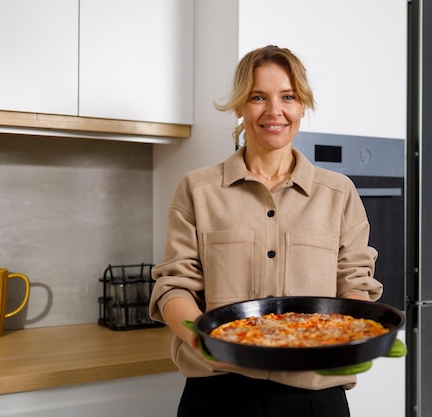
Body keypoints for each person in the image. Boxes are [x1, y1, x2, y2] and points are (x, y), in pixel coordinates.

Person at [149, 45, 383, 417]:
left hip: (313, 396)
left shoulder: (339, 193)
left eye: (288, 97)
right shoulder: (197, 189)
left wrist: (345, 337)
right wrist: (200, 339)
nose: (275, 111)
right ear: (241, 106)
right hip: (219, 393)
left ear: (302, 105)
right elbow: (174, 285)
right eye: (259, 97)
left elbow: (354, 284)